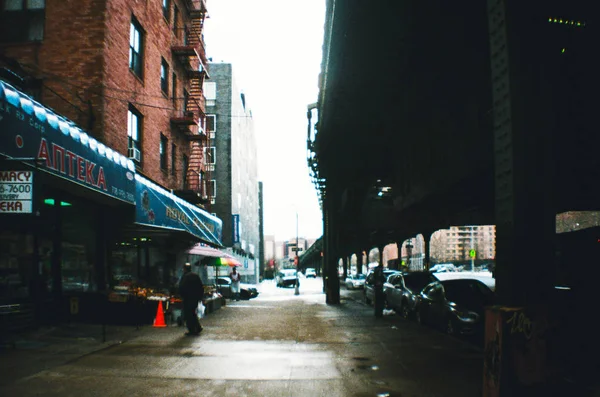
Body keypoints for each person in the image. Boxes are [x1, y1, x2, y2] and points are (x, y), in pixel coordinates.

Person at [179, 263, 204, 335]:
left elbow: (181, 287)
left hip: (187, 299)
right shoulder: (196, 276)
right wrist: (200, 297)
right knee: (192, 313)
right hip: (195, 299)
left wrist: (181, 295)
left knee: (188, 314)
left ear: (184, 269)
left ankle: (192, 330)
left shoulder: (185, 276)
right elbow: (201, 287)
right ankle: (198, 327)